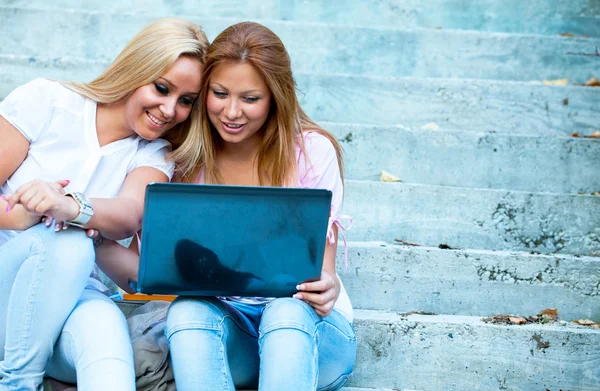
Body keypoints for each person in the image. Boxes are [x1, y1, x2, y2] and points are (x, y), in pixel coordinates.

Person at [0, 18, 208, 391]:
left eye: (186, 101)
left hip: (78, 297)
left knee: (108, 345)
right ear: (136, 68)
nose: (169, 109)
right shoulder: (48, 101)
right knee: (69, 241)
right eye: (162, 88)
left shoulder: (155, 154)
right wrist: (22, 216)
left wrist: (69, 206)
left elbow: (130, 215)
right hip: (6, 288)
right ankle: (17, 383)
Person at [164, 22, 357, 391]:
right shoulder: (187, 157)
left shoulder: (312, 153)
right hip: (231, 335)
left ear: (275, 98)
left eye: (250, 99)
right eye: (219, 93)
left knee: (285, 310)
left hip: (309, 334)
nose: (232, 112)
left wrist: (327, 285)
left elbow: (321, 270)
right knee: (187, 309)